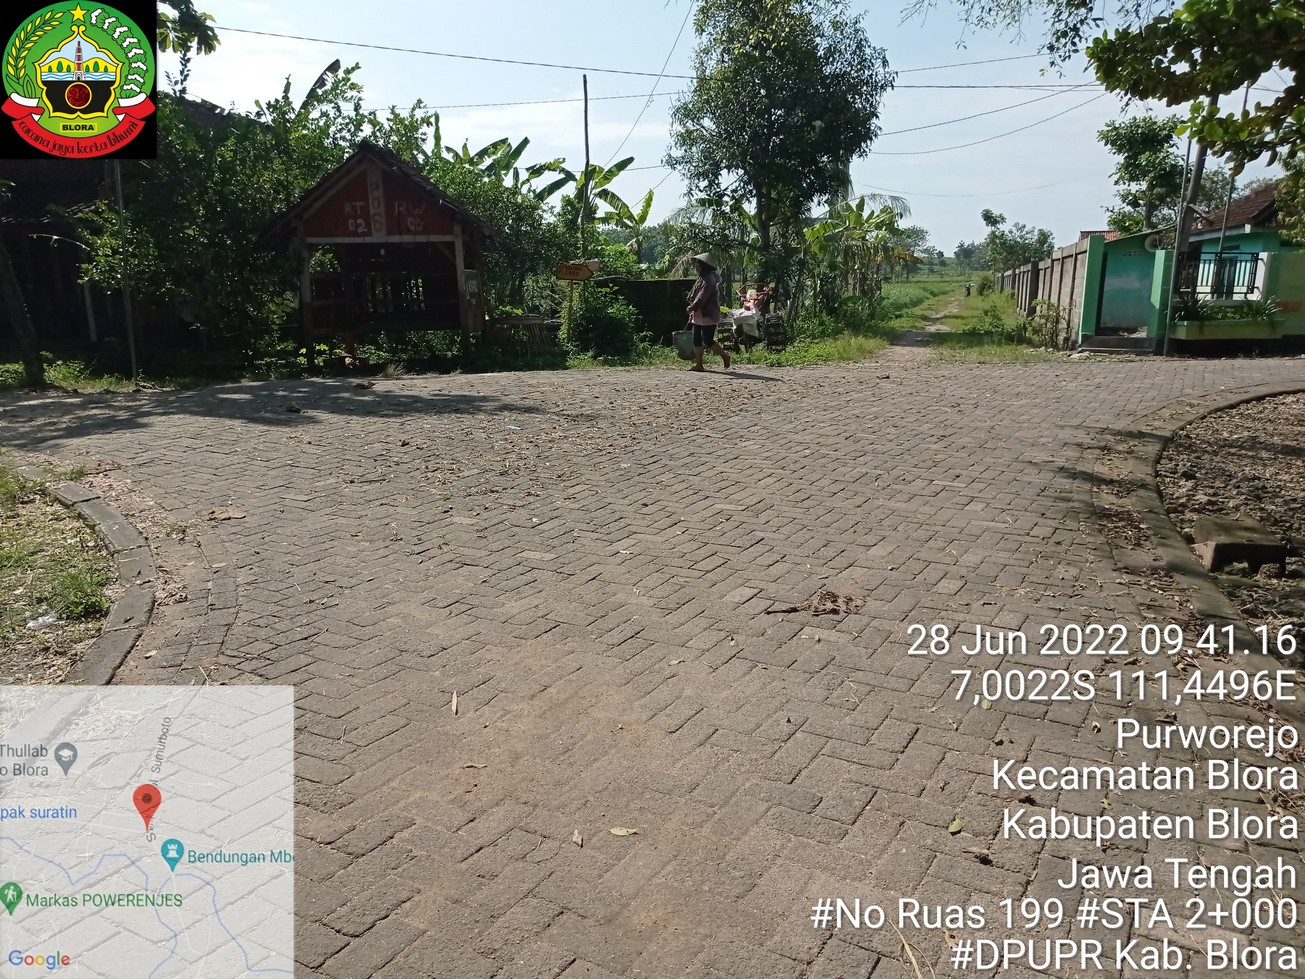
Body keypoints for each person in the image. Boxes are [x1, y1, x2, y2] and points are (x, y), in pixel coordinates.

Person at [686, 253, 730, 371]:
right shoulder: (703, 278)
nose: (696, 267)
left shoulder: (709, 279)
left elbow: (701, 297)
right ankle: (699, 365)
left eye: (698, 264)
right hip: (699, 314)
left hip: (708, 314)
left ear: (703, 266)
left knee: (708, 340)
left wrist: (692, 307)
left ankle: (725, 356)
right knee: (696, 339)